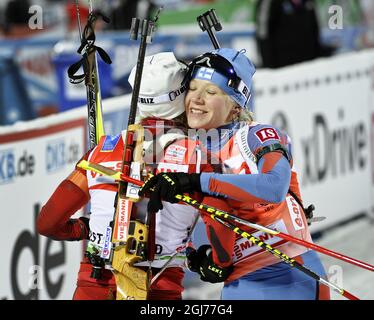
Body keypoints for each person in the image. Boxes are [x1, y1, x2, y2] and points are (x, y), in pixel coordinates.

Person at [139, 47, 331, 300]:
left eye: (211, 92)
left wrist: (196, 181)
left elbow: (274, 187)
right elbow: (204, 222)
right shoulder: (186, 151)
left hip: (290, 277)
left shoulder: (256, 135)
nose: (196, 99)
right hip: (240, 284)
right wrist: (205, 260)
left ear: (234, 107)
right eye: (193, 88)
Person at [37, 51, 221, 299]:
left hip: (94, 284)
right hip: (158, 290)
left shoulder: (100, 152)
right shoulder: (202, 158)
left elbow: (47, 223)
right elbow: (225, 241)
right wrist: (206, 261)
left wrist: (87, 229)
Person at [255, 0, 335, 68]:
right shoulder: (268, 2)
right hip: (282, 72)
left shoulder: (309, 2)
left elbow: (315, 32)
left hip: (308, 70)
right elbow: (262, 35)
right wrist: (271, 69)